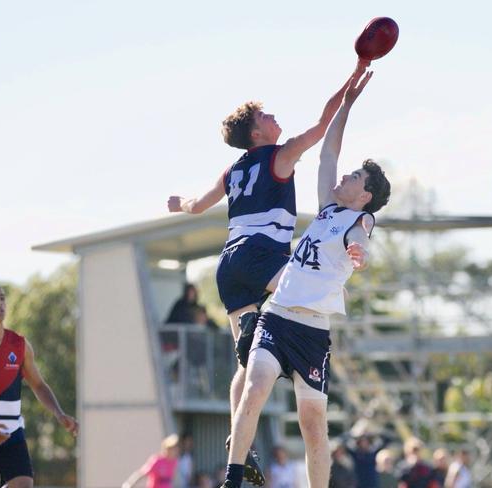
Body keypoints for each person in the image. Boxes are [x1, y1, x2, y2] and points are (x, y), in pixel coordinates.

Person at [168, 61, 364, 486]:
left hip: (228, 265)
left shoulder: (233, 170)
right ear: (257, 133)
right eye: (265, 116)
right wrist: (352, 79)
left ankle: (240, 445)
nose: (273, 117)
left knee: (249, 361)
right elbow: (323, 124)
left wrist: (178, 202)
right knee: (304, 301)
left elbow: (198, 204)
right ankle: (300, 364)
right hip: (262, 255)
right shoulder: (279, 156)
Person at [220, 63, 391, 488]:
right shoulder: (329, 207)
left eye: (355, 177)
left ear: (365, 196)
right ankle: (233, 479)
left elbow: (362, 237)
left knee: (313, 425)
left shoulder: (359, 220)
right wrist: (347, 103)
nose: (345, 175)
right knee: (255, 387)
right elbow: (329, 150)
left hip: (313, 331)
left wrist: (358, 251)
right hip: (277, 316)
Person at [0, 283, 79, 488]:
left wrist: (59, 413)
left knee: (24, 484)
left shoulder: (19, 344)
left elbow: (38, 385)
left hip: (11, 434)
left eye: (2, 298)